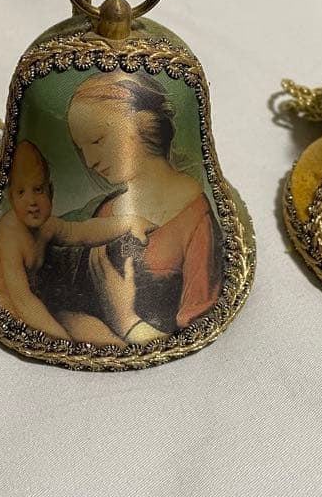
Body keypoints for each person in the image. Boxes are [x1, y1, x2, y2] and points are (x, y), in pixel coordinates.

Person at [35, 72, 223, 346]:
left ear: (138, 123)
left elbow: (194, 328)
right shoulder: (104, 209)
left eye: (97, 140)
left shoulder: (197, 221)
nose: (90, 161)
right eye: (82, 149)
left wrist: (125, 320)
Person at [0, 140, 153, 338]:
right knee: (61, 336)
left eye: (38, 189)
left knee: (97, 332)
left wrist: (129, 223)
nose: (31, 201)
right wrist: (62, 339)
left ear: (51, 192)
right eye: (21, 192)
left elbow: (82, 232)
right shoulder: (10, 237)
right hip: (9, 309)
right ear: (11, 197)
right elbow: (22, 299)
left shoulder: (47, 225)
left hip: (40, 306)